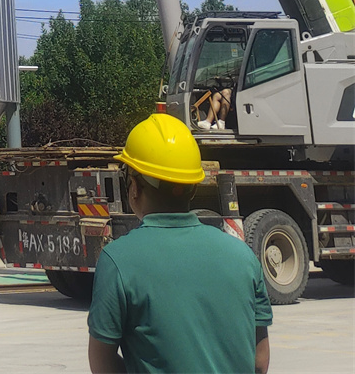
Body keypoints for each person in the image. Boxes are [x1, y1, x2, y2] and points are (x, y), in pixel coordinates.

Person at [88, 113, 272, 374]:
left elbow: (102, 364)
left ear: (134, 187)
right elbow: (259, 361)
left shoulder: (118, 261)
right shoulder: (243, 256)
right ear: (193, 188)